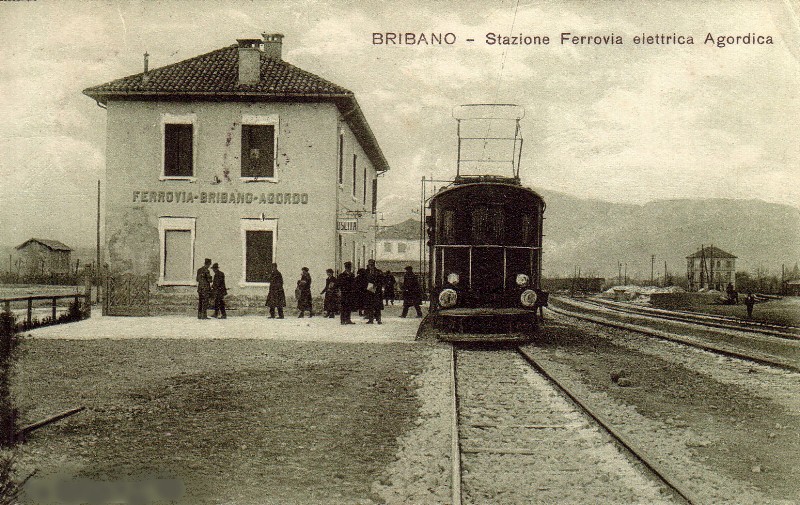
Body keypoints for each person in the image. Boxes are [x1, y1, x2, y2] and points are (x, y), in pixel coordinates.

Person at [365, 259, 384, 324]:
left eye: (371, 264)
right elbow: (365, 281)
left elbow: (381, 281)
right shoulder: (367, 272)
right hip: (369, 292)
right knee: (370, 306)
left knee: (377, 306)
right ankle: (371, 319)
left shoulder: (378, 272)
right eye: (369, 264)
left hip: (377, 292)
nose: (370, 266)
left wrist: (376, 286)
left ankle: (378, 319)